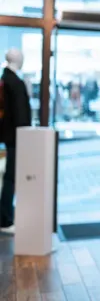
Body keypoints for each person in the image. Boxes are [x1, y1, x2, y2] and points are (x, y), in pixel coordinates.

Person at [0, 49, 31, 234]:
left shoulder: (5, 79)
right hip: (14, 138)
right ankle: (5, 218)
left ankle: (6, 216)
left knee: (9, 177)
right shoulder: (15, 83)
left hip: (8, 136)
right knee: (11, 177)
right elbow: (21, 116)